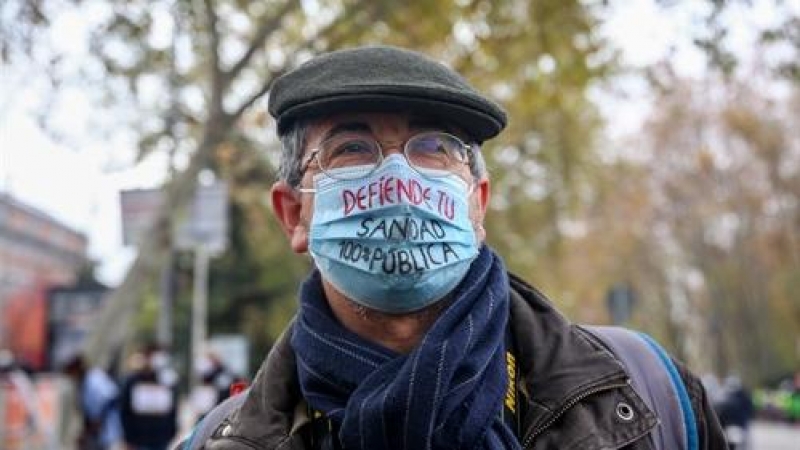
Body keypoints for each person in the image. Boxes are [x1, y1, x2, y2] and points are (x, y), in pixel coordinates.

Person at [179, 45, 726, 449]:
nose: (397, 179)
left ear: (478, 203)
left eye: (434, 147)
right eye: (351, 147)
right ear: (295, 213)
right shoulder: (219, 441)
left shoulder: (650, 393)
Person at [119, 344, 179, 450]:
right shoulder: (133, 381)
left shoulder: (167, 381)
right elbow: (125, 410)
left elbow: (172, 409)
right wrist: (128, 438)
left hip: (161, 439)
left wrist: (172, 432)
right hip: (138, 440)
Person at [62, 353, 123, 450]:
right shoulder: (83, 382)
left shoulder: (94, 379)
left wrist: (92, 428)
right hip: (98, 433)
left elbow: (107, 402)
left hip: (107, 431)